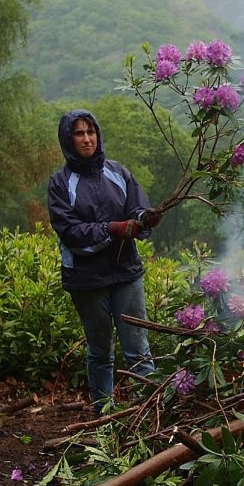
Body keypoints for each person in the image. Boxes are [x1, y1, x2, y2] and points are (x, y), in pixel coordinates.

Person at [47, 109, 162, 413]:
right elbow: (71, 231)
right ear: (68, 140)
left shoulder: (118, 172)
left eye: (91, 132)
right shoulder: (60, 183)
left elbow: (136, 208)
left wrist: (145, 219)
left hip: (125, 273)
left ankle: (151, 416)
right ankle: (104, 419)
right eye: (79, 133)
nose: (87, 139)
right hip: (86, 279)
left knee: (138, 349)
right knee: (100, 352)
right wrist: (113, 228)